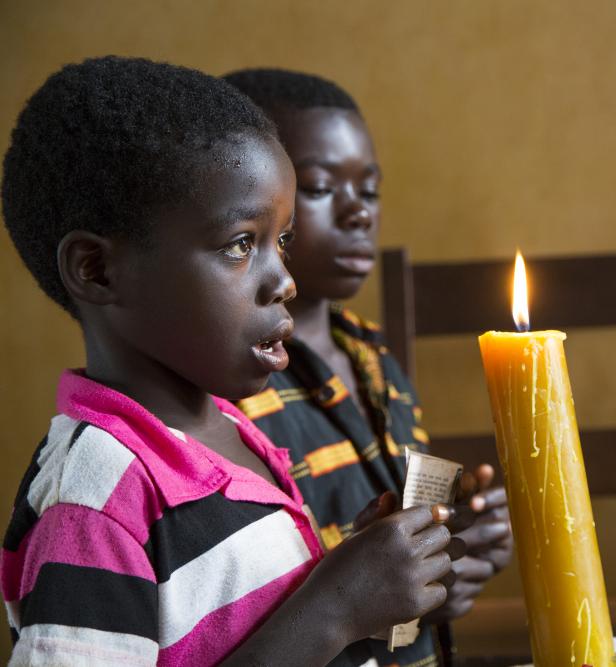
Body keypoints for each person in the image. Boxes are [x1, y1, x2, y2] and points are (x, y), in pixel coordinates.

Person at [0, 56, 459, 666]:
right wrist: (331, 608)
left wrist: (358, 573)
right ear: (97, 269)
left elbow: (244, 626)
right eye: (243, 243)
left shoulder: (231, 433)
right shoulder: (96, 497)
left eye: (283, 241)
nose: (285, 280)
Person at [224, 68, 513, 665]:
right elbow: (272, 607)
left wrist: (455, 548)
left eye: (371, 191)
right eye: (324, 187)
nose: (360, 214)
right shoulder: (232, 389)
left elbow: (407, 558)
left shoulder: (373, 358)